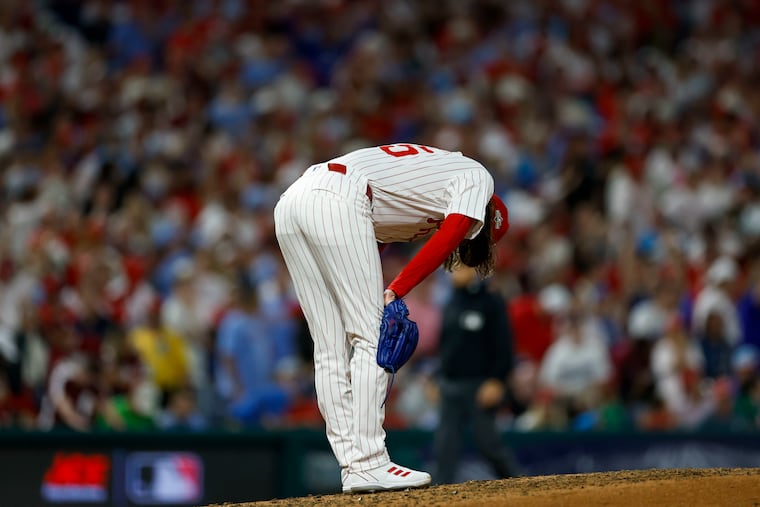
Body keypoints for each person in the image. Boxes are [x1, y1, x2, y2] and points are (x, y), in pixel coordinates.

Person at [274, 143, 509, 493]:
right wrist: (397, 289)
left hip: (296, 201)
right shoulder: (478, 179)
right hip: (337, 196)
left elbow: (363, 245)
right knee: (374, 337)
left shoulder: (427, 198)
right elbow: (451, 232)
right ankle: (370, 462)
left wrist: (380, 291)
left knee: (329, 347)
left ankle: (353, 465)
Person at [433, 265, 518, 484]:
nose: (454, 274)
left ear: (474, 271)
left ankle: (519, 484)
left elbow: (504, 345)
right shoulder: (451, 303)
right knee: (445, 447)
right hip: (451, 385)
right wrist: (438, 377)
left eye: (460, 269)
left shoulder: (490, 301)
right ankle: (440, 497)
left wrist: (497, 381)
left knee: (489, 445)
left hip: (480, 385)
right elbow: (446, 347)